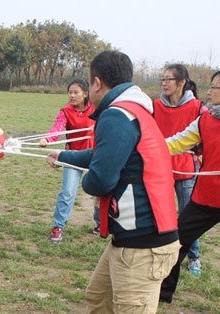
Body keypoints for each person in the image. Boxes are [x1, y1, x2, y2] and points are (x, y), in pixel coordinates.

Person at [47, 50, 180, 313]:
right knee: (99, 298)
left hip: (143, 244)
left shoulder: (116, 116)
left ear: (96, 83)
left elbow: (100, 181)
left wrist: (87, 181)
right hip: (132, 239)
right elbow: (106, 154)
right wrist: (64, 155)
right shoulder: (133, 110)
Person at [159, 70, 220, 304]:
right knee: (175, 242)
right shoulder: (205, 119)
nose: (209, 91)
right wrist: (148, 147)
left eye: (214, 87)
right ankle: (163, 294)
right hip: (206, 198)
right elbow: (177, 142)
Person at [153, 63, 204, 276]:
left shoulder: (197, 107)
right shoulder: (155, 105)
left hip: (185, 170)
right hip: (160, 168)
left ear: (181, 82)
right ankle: (159, 253)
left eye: (169, 79)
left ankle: (193, 257)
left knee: (187, 217)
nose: (164, 83)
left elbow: (204, 137)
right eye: (162, 79)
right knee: (159, 213)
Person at [38, 79, 99, 243]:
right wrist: (47, 139)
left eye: (76, 92)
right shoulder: (65, 111)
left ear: (85, 93)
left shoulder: (97, 107)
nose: (72, 95)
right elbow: (57, 128)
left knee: (101, 191)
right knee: (67, 193)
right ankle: (58, 227)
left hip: (95, 155)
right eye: (70, 92)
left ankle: (101, 224)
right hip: (73, 156)